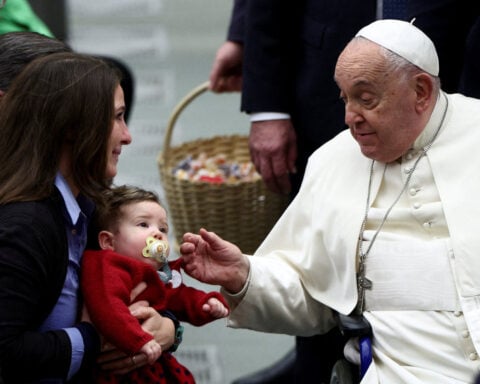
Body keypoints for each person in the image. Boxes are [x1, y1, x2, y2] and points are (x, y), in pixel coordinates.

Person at [183, 19, 480, 384]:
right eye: (345, 98)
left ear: (420, 92)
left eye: (366, 99)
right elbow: (311, 295)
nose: (349, 118)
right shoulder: (332, 161)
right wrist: (244, 276)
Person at [0, 51, 174, 383]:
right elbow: (5, 353)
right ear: (71, 128)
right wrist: (95, 339)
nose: (127, 135)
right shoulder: (24, 227)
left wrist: (166, 327)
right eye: (117, 117)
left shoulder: (88, 205)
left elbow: (134, 279)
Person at [81, 185, 229, 383]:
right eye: (143, 224)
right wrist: (137, 339)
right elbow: (108, 306)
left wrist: (207, 304)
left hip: (150, 365)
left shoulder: (158, 274)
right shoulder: (107, 266)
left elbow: (180, 296)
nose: (158, 234)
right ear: (108, 241)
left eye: (163, 229)